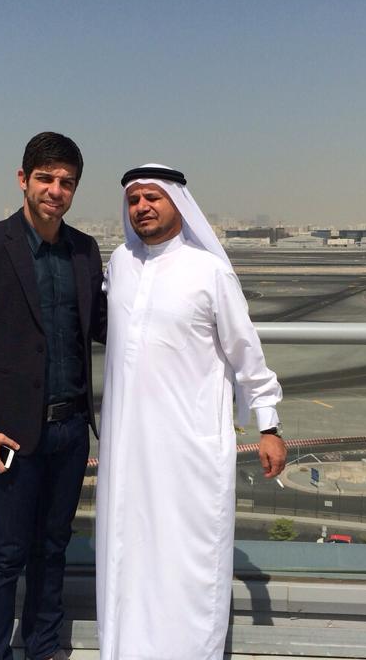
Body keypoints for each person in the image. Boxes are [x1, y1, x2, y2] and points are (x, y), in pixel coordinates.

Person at [95, 164, 286, 659]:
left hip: (189, 449)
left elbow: (247, 355)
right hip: (127, 448)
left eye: (152, 197)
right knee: (127, 552)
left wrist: (269, 426)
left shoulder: (209, 272)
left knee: (190, 559)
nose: (142, 207)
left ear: (177, 202)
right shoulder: (119, 263)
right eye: (134, 199)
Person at [0, 131, 106, 660]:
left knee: (53, 548)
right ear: (22, 179)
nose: (56, 190)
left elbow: (105, 325)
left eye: (67, 182)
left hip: (70, 429)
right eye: (45, 178)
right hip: (12, 432)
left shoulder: (84, 250)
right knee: (7, 552)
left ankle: (43, 649)